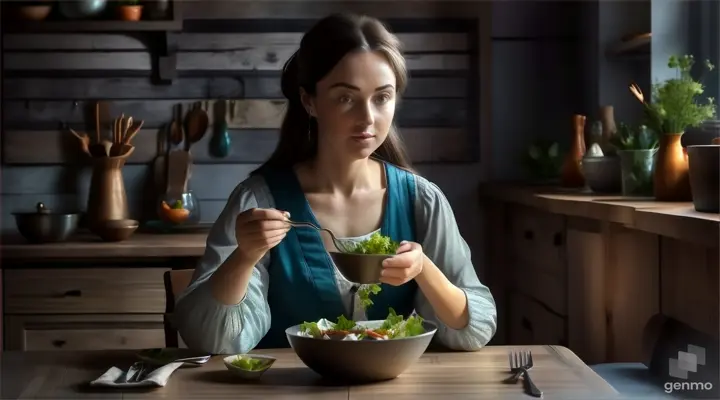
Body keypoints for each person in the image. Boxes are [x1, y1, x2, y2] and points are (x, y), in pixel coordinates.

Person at [173, 13, 497, 354]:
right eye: (346, 98)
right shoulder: (257, 200)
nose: (368, 117)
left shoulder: (422, 200)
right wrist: (244, 256)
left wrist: (423, 268)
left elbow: (474, 332)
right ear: (309, 101)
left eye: (382, 97)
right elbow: (209, 340)